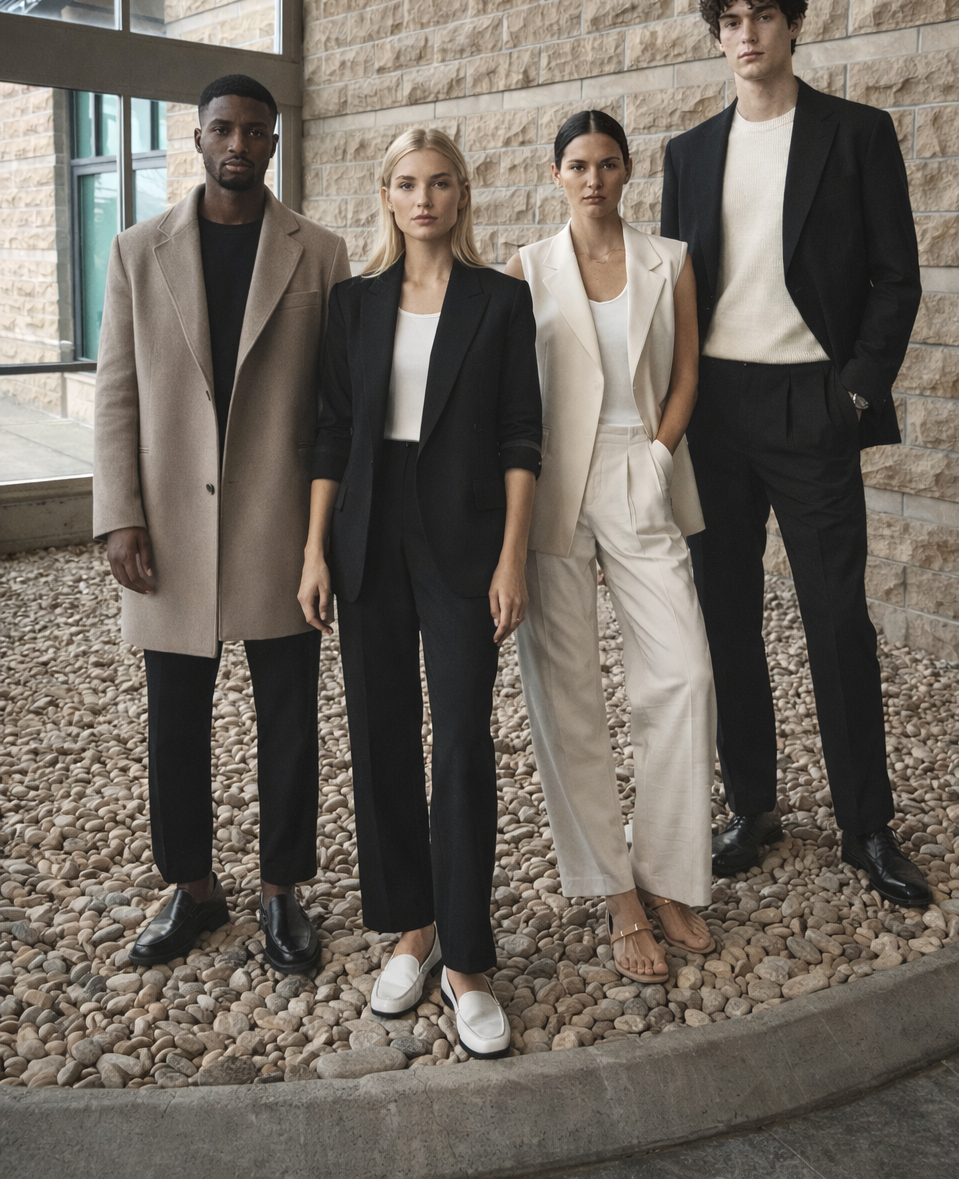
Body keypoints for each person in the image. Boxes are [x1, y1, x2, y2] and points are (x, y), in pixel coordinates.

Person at [661, 0, 929, 907]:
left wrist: (854, 392)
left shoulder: (856, 134)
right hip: (716, 411)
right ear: (717, 37)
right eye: (731, 21)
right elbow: (674, 290)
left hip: (813, 404)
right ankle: (753, 806)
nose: (748, 35)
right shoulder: (689, 153)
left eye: (763, 17)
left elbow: (897, 277)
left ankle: (866, 826)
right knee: (727, 616)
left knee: (836, 618)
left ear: (793, 25)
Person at [93, 74, 350, 973]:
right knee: (175, 720)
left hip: (280, 522)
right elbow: (116, 390)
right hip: (168, 523)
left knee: (289, 715)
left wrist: (325, 536)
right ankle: (192, 888)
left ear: (273, 143)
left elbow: (337, 403)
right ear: (198, 138)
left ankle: (283, 890)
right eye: (222, 129)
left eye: (253, 131)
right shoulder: (137, 250)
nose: (237, 143)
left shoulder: (319, 253)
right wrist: (119, 514)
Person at [299, 127, 542, 1059]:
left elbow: (521, 434)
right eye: (407, 183)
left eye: (440, 183)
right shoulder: (354, 303)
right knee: (382, 732)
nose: (424, 199)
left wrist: (512, 557)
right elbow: (331, 432)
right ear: (388, 197)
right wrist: (315, 549)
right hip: (367, 531)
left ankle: (468, 959)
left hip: (464, 538)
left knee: (464, 735)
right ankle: (413, 928)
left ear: (462, 194)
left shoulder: (500, 300)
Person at [507, 111, 717, 985]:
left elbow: (687, 373)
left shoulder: (669, 260)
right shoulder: (526, 268)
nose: (592, 179)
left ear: (629, 171)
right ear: (556, 174)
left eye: (606, 163)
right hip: (554, 476)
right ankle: (615, 891)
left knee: (685, 673)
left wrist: (659, 455)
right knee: (568, 693)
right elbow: (512, 391)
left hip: (641, 466)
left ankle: (668, 872)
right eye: (577, 165)